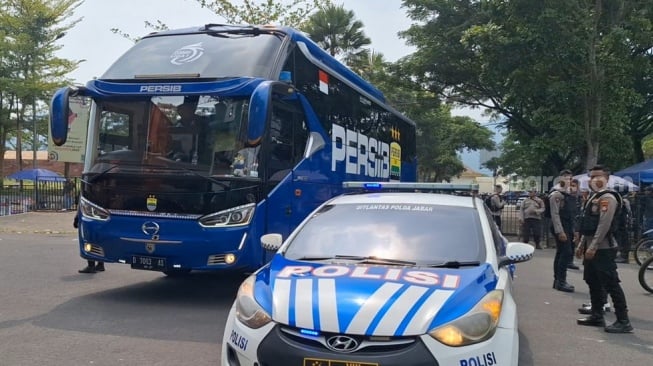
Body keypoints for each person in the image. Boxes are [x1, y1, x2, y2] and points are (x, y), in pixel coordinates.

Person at [576, 164, 632, 333]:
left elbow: (603, 225)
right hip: (591, 246)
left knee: (611, 283)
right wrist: (581, 245)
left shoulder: (608, 198)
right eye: (592, 176)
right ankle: (597, 315)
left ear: (607, 178)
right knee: (592, 280)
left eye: (598, 176)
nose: (594, 179)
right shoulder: (594, 197)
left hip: (603, 248)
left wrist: (592, 247)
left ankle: (623, 320)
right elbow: (588, 227)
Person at [550, 169, 575, 292]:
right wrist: (560, 231)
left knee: (562, 252)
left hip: (567, 226)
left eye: (570, 178)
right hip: (561, 226)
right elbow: (555, 214)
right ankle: (561, 281)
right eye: (565, 178)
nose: (568, 180)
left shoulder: (567, 193)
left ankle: (558, 280)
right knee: (566, 252)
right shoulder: (556, 194)